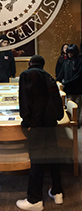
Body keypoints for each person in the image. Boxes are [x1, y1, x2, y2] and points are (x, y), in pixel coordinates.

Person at [16, 55, 64, 211]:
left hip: (37, 125)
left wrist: (27, 122)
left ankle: (34, 200)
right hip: (50, 124)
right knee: (52, 157)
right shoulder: (49, 77)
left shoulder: (26, 75)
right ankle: (57, 193)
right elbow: (58, 105)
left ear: (30, 63)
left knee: (36, 160)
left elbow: (25, 101)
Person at [57, 44, 82, 127]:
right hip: (68, 88)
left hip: (78, 88)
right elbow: (61, 74)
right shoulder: (66, 61)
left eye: (71, 53)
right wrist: (56, 81)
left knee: (77, 105)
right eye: (68, 53)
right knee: (69, 105)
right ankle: (70, 120)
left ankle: (76, 121)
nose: (70, 55)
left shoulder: (79, 61)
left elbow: (79, 75)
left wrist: (66, 83)